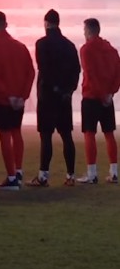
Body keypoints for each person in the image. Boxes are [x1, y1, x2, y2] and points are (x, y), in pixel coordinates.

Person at [30, 10, 81, 187]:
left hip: (48, 96)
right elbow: (77, 70)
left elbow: (44, 69)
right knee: (67, 136)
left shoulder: (42, 44)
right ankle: (71, 175)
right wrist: (68, 90)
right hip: (64, 98)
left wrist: (56, 88)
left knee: (46, 136)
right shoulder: (69, 45)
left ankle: (43, 176)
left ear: (46, 23)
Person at [0, 11, 35, 191]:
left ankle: (12, 177)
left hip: (3, 99)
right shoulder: (20, 47)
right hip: (19, 98)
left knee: (5, 136)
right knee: (16, 132)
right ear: (6, 24)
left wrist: (8, 95)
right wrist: (22, 95)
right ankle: (18, 170)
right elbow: (30, 72)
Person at [77, 18, 120, 184]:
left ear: (89, 31)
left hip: (91, 96)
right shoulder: (112, 50)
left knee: (89, 133)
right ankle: (114, 171)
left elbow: (91, 73)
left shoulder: (86, 49)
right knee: (109, 134)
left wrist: (102, 93)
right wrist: (110, 92)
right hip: (107, 98)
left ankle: (92, 172)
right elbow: (118, 73)